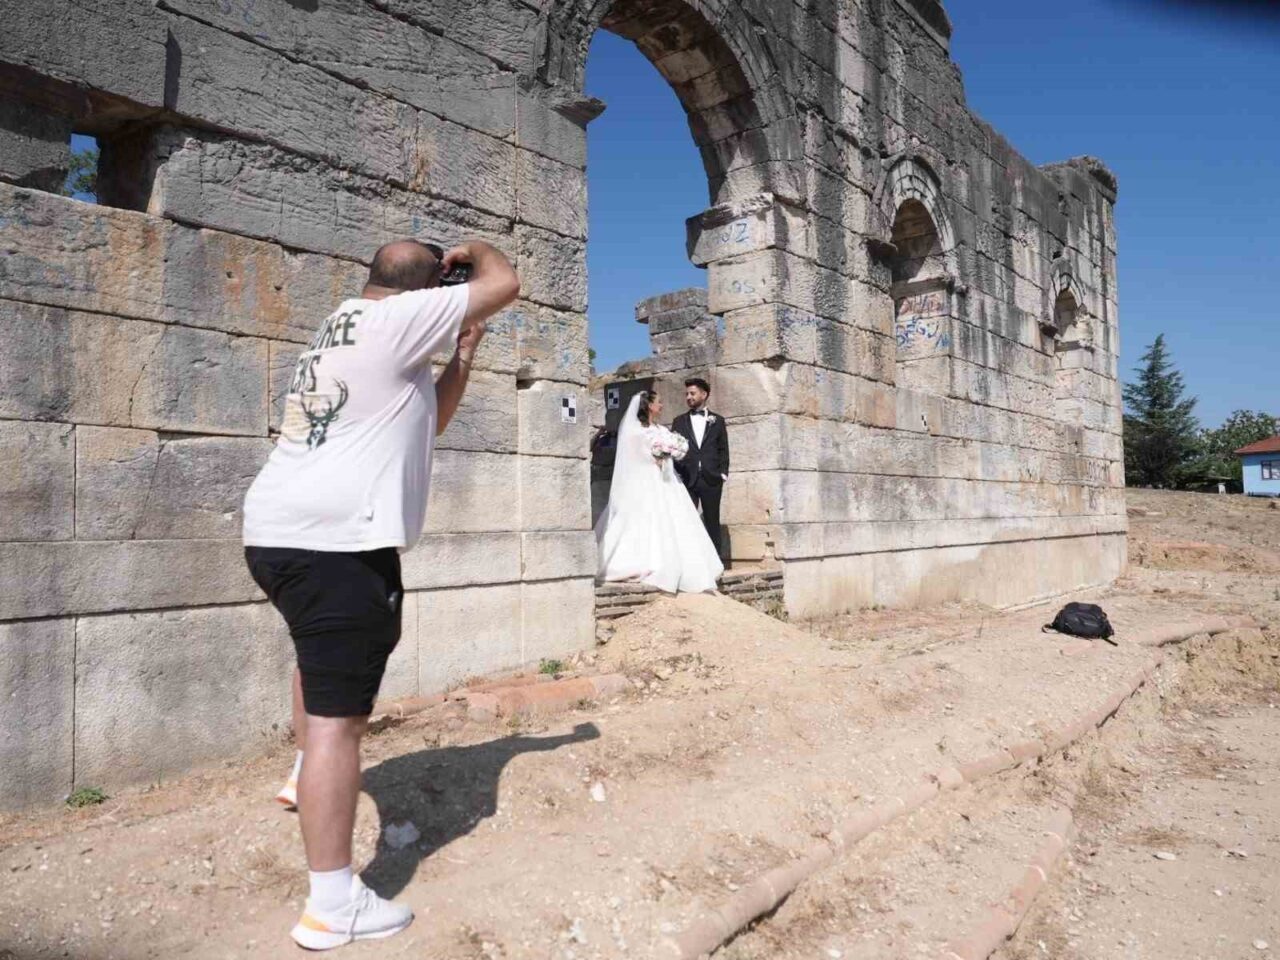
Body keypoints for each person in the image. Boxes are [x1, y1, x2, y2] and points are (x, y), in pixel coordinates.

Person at [242, 238, 519, 950]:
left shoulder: (346, 325)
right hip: (336, 545)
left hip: (276, 533)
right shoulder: (400, 324)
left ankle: (304, 771)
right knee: (341, 719)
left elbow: (430, 422)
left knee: (318, 660)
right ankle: (334, 905)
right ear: (428, 291)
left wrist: (461, 357)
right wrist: (476, 251)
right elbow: (505, 281)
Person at [595, 389, 723, 593]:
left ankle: (686, 566)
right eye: (659, 402)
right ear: (648, 406)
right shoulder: (635, 430)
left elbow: (674, 446)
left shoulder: (661, 429)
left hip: (668, 479)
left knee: (677, 521)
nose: (662, 405)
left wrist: (674, 449)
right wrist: (656, 456)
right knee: (647, 521)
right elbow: (632, 457)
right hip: (646, 481)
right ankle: (644, 562)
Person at [671, 377, 730, 558]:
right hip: (688, 479)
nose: (688, 397)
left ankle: (716, 562)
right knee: (686, 521)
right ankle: (689, 561)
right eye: (687, 394)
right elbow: (674, 448)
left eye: (692, 393)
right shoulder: (679, 421)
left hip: (711, 479)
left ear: (704, 395)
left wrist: (723, 474)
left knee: (712, 521)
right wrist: (678, 473)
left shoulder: (717, 421)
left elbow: (723, 449)